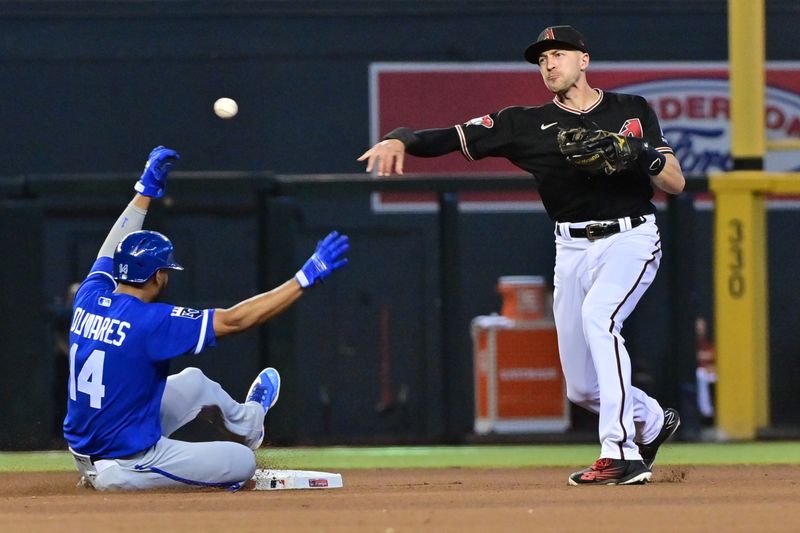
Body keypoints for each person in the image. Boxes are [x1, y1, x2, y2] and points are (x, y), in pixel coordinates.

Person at [358, 25, 684, 485]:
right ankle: (651, 421)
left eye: (559, 53)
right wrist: (400, 138)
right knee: (582, 387)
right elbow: (450, 136)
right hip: (570, 247)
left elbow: (675, 181)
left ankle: (620, 452)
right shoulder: (523, 124)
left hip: (630, 238)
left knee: (599, 318)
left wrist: (636, 153)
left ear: (584, 60)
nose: (549, 63)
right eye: (541, 58)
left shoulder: (631, 110)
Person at [64, 146, 349, 491]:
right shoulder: (152, 321)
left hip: (88, 447)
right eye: (165, 270)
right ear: (157, 276)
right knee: (242, 464)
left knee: (195, 381)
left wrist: (144, 192)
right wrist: (302, 280)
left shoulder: (89, 296)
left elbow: (109, 251)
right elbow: (235, 321)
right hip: (126, 465)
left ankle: (250, 423)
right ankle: (179, 479)